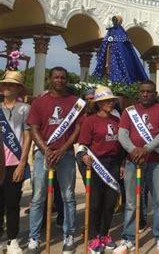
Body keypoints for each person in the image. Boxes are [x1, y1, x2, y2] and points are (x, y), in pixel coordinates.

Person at [26, 67, 84, 254]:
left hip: (65, 154)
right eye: (56, 77)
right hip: (43, 154)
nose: (59, 80)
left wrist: (62, 149)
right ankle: (34, 238)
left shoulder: (75, 102)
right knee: (38, 197)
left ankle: (69, 235)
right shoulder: (39, 102)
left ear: (66, 80)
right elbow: (34, 128)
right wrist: (46, 149)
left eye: (63, 77)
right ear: (50, 79)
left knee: (68, 196)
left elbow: (77, 129)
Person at [118, 80, 159, 252]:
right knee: (131, 202)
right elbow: (122, 134)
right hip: (133, 161)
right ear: (138, 93)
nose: (146, 94)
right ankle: (128, 238)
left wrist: (146, 149)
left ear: (155, 94)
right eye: (142, 91)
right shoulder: (129, 111)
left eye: (149, 92)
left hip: (155, 161)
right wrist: (133, 150)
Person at [77, 85, 123, 252]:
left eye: (111, 100)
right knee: (95, 203)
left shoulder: (117, 120)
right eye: (105, 101)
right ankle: (93, 236)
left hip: (113, 163)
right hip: (96, 164)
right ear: (98, 103)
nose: (110, 103)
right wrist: (83, 156)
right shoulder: (90, 120)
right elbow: (83, 145)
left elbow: (121, 145)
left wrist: (122, 164)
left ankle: (105, 234)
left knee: (110, 203)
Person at [0, 71, 31, 253]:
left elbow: (28, 137)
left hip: (15, 164)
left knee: (12, 203)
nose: (6, 87)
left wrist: (22, 163)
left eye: (10, 85)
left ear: (18, 88)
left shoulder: (25, 109)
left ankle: (12, 239)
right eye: (4, 84)